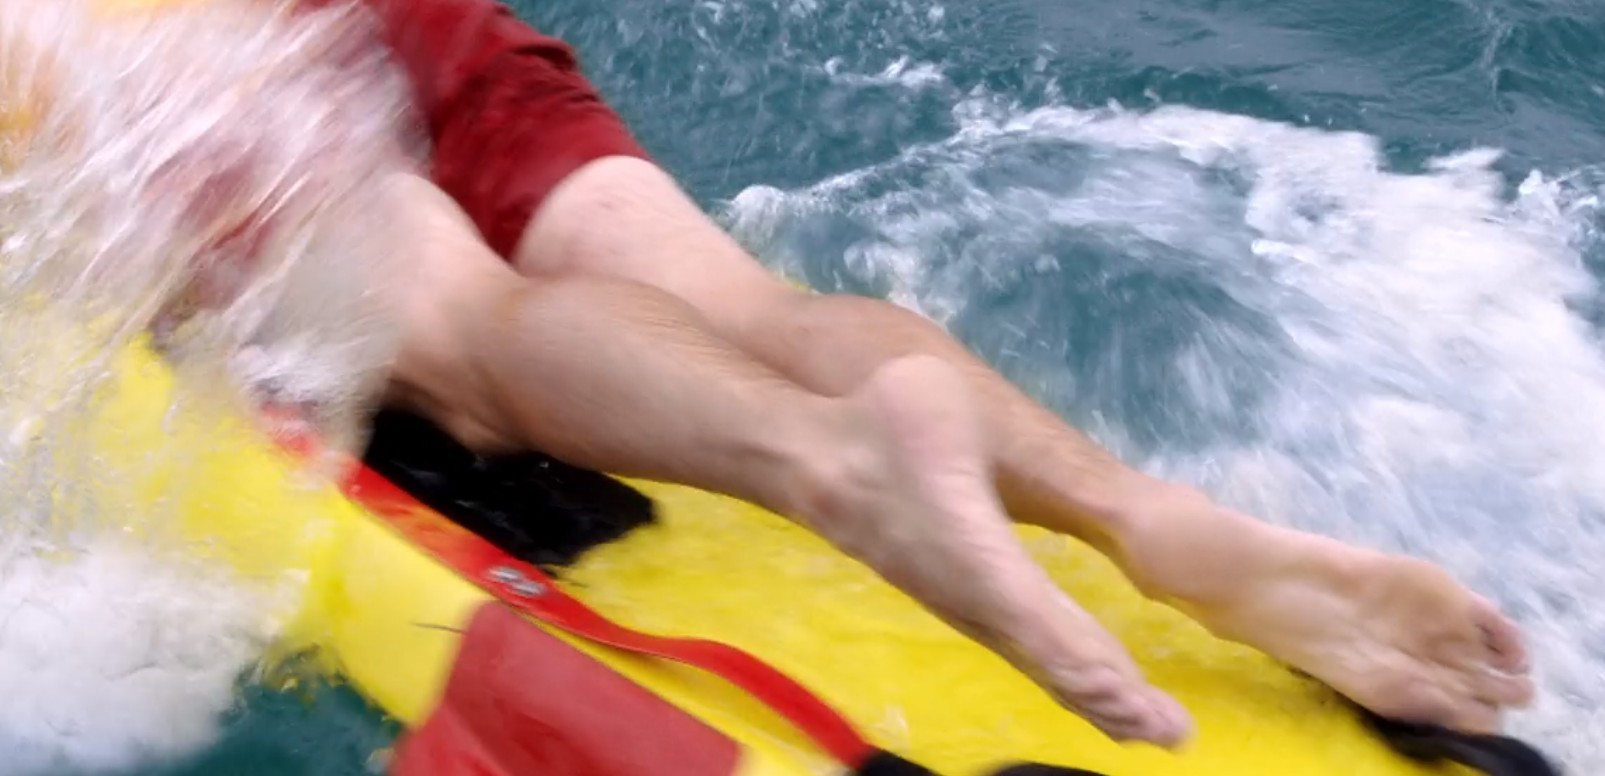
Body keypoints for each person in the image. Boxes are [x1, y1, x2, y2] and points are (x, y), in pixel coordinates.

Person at [6, 0, 1537, 748]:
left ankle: (834, 465)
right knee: (735, 299)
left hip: (132, 76)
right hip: (389, 21)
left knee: (465, 340)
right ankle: (1144, 519)